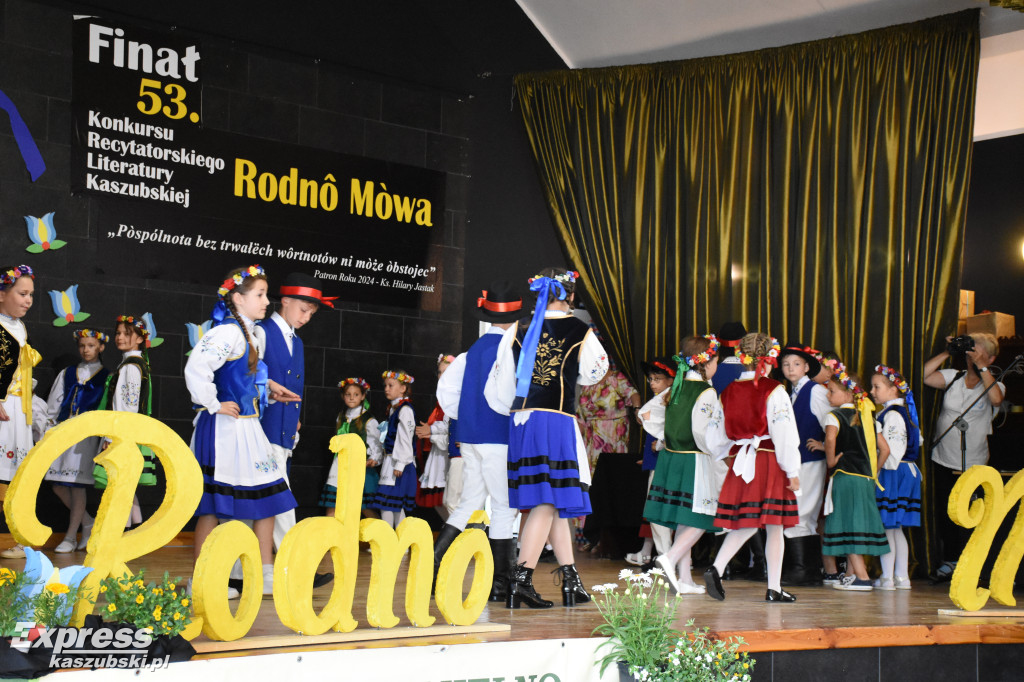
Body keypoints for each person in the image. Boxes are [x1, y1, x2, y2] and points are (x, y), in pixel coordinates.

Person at [486, 267, 609, 608]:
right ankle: (521, 579)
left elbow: (500, 386)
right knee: (547, 500)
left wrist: (519, 407)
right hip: (555, 420)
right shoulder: (580, 330)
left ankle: (571, 580)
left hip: (523, 420)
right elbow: (597, 370)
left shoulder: (517, 328)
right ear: (571, 295)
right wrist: (569, 379)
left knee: (551, 499)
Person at [186, 265, 300, 596]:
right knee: (214, 503)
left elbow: (243, 377)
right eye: (260, 295)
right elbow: (196, 368)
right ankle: (202, 581)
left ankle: (262, 573)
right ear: (238, 298)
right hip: (224, 430)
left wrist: (270, 389)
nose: (266, 301)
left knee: (270, 494)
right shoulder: (227, 332)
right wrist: (213, 403)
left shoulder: (248, 332)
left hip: (247, 427)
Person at [435, 282, 525, 602]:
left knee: (469, 503)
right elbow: (505, 396)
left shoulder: (471, 351)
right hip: (497, 435)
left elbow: (446, 391)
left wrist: (465, 418)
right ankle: (500, 585)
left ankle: (433, 567)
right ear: (516, 319)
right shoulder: (509, 349)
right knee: (503, 507)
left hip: (470, 436)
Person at [703, 333, 801, 603]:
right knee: (773, 524)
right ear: (769, 359)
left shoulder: (728, 391)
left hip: (742, 461)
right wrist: (792, 470)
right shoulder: (774, 390)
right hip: (769, 460)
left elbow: (714, 435)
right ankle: (770, 586)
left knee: (750, 521)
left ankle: (725, 569)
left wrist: (725, 454)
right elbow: (784, 433)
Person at [640, 335, 729, 594]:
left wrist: (666, 438)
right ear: (707, 362)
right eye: (716, 361)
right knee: (703, 515)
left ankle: (685, 579)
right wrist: (718, 452)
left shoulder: (677, 386)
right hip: (694, 460)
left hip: (672, 459)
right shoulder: (706, 391)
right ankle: (669, 558)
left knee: (683, 519)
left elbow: (646, 413)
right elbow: (702, 432)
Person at [253, 272, 332, 548]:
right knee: (280, 497)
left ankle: (255, 563)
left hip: (284, 434)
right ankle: (293, 558)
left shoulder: (297, 342)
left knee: (269, 498)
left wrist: (293, 422)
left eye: (311, 313)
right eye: (303, 310)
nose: (306, 318)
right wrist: (270, 393)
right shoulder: (261, 332)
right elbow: (248, 379)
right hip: (263, 430)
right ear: (285, 301)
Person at [924, 332, 1004, 582]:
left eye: (978, 351)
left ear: (990, 357)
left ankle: (972, 563)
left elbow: (996, 399)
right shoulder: (954, 377)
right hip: (943, 457)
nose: (972, 355)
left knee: (971, 512)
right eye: (970, 351)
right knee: (947, 511)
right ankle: (950, 560)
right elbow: (924, 375)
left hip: (974, 462)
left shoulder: (995, 384)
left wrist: (982, 366)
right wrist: (948, 352)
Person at [820, 362, 889, 591]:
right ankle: (851, 574)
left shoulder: (834, 416)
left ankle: (862, 577)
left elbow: (831, 439)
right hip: (865, 479)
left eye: (832, 391)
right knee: (858, 523)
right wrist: (874, 471)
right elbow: (885, 449)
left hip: (845, 477)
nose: (828, 395)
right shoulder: (869, 417)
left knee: (847, 523)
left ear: (848, 393)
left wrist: (831, 461)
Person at [43, 329, 110, 553]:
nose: (86, 350)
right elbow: (54, 403)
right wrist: (49, 429)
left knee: (77, 486)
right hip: (64, 432)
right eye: (82, 346)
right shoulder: (68, 373)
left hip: (86, 437)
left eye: (91, 346)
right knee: (57, 485)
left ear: (100, 347)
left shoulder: (106, 376)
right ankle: (88, 522)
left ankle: (70, 537)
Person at [92, 315, 158, 530]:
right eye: (118, 333)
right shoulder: (135, 364)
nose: (120, 337)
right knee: (126, 485)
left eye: (126, 333)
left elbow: (128, 405)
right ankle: (135, 528)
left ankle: (123, 532)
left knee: (119, 486)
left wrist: (112, 437)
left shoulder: (131, 367)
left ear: (139, 338)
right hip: (129, 433)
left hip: (124, 434)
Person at [778, 344, 830, 586]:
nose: (791, 369)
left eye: (796, 364)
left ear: (807, 367)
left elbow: (831, 422)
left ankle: (803, 570)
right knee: (797, 511)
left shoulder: (815, 391)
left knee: (803, 511)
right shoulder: (790, 393)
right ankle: (804, 569)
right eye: (786, 364)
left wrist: (824, 444)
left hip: (810, 461)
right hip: (797, 463)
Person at [0, 265, 41, 560]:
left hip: (19, 410)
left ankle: (21, 540)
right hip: (3, 408)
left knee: (18, 477)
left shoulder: (21, 328)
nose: (28, 300)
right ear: (2, 294)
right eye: (22, 294)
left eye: (31, 295)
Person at [870, 364, 923, 590]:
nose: (872, 391)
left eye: (877, 387)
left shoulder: (892, 415)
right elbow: (918, 441)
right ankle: (901, 577)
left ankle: (888, 578)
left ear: (893, 389)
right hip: (906, 471)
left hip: (894, 472)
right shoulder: (906, 412)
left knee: (888, 526)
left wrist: (877, 471)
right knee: (896, 528)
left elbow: (892, 451)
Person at [627, 356, 676, 566]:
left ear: (671, 379)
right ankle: (666, 555)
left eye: (658, 379)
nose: (652, 383)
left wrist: (662, 443)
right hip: (657, 460)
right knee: (657, 510)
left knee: (662, 509)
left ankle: (669, 556)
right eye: (650, 379)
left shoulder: (672, 399)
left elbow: (677, 428)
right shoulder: (659, 399)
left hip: (666, 460)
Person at [321, 378, 382, 518]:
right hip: (340, 464)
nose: (351, 398)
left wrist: (374, 459)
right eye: (348, 394)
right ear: (343, 396)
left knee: (364, 507)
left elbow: (376, 443)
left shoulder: (368, 419)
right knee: (333, 504)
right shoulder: (341, 417)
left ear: (363, 396)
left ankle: (380, 531)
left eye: (356, 394)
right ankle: (331, 531)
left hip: (360, 466)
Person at [371, 370, 417, 529]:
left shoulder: (405, 410)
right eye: (385, 386)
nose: (386, 389)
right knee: (390, 504)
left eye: (391, 385)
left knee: (391, 504)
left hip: (400, 463)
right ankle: (394, 538)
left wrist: (400, 464)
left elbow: (405, 438)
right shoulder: (393, 409)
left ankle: (395, 538)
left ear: (403, 388)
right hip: (391, 461)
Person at [415, 354, 454, 519]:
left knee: (450, 499)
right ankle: (450, 527)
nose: (442, 376)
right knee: (438, 500)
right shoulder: (442, 398)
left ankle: (456, 529)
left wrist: (430, 431)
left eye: (447, 372)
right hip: (439, 452)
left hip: (449, 452)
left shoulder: (456, 397)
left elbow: (450, 426)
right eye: (440, 372)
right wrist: (429, 430)